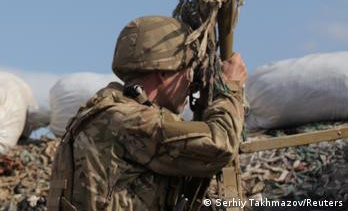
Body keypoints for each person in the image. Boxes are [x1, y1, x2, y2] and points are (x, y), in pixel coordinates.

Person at [47, 15, 247, 210]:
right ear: (163, 73)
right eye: (188, 71)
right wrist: (230, 87)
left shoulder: (104, 113)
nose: (191, 83)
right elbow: (220, 145)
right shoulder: (130, 120)